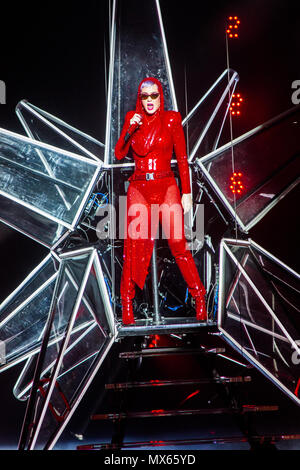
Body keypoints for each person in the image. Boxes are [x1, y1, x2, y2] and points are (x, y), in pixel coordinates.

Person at [115, 77, 207, 325]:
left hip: (167, 184)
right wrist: (128, 130)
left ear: (160, 96)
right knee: (133, 247)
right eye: (144, 96)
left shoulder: (172, 119)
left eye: (154, 95)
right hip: (139, 186)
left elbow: (183, 158)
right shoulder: (132, 118)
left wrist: (186, 192)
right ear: (139, 98)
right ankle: (127, 304)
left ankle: (200, 298)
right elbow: (119, 152)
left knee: (179, 243)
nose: (149, 101)